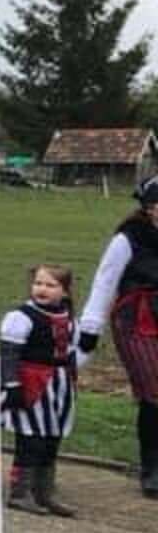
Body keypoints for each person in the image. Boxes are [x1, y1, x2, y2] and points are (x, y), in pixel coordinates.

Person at [78, 175, 158, 497]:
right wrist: (89, 329)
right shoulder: (129, 238)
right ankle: (152, 467)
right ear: (150, 208)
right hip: (136, 318)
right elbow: (104, 282)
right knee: (154, 390)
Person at [1, 263, 80, 517]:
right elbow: (9, 355)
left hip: (58, 386)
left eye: (50, 285)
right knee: (30, 439)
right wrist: (11, 385)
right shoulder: (21, 317)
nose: (42, 289)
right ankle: (19, 492)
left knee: (51, 440)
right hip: (31, 384)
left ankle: (44, 492)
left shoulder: (67, 318)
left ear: (64, 292)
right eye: (38, 283)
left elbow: (70, 352)